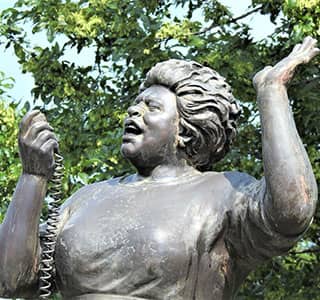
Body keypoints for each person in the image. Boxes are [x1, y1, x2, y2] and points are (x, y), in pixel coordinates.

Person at [0, 37, 318, 300]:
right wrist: (33, 177)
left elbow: (292, 210)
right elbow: (12, 282)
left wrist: (271, 91)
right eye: (133, 106)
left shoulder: (222, 192)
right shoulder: (87, 198)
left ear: (187, 129)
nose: (133, 113)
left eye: (151, 107)